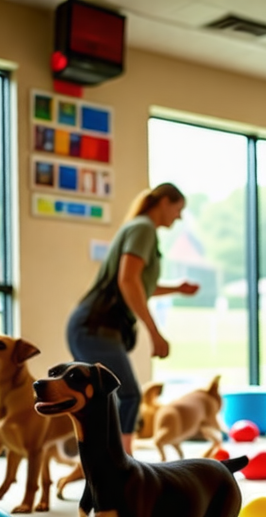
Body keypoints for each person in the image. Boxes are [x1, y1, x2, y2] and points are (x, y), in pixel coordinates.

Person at [66, 183, 199, 454]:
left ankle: (105, 458)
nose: (179, 216)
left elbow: (139, 283)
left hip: (92, 326)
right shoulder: (143, 229)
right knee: (128, 395)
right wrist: (155, 332)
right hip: (94, 326)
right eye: (178, 209)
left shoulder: (140, 228)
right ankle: (123, 462)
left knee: (107, 399)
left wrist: (177, 288)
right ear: (163, 202)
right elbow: (127, 280)